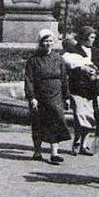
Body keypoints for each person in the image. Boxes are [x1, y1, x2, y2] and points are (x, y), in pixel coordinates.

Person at [24, 29, 71, 164]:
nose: (48, 43)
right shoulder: (33, 60)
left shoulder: (59, 59)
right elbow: (29, 80)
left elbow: (64, 79)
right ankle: (37, 151)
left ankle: (54, 153)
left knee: (56, 121)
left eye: (50, 41)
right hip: (39, 96)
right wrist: (31, 97)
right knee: (38, 123)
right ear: (40, 42)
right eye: (45, 41)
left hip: (55, 96)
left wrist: (66, 96)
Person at [69, 26, 99, 156]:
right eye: (91, 37)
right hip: (78, 89)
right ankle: (77, 141)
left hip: (93, 90)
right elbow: (68, 68)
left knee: (91, 118)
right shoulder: (74, 51)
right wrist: (82, 70)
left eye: (94, 38)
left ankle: (84, 145)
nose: (93, 40)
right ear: (84, 37)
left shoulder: (96, 52)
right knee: (80, 116)